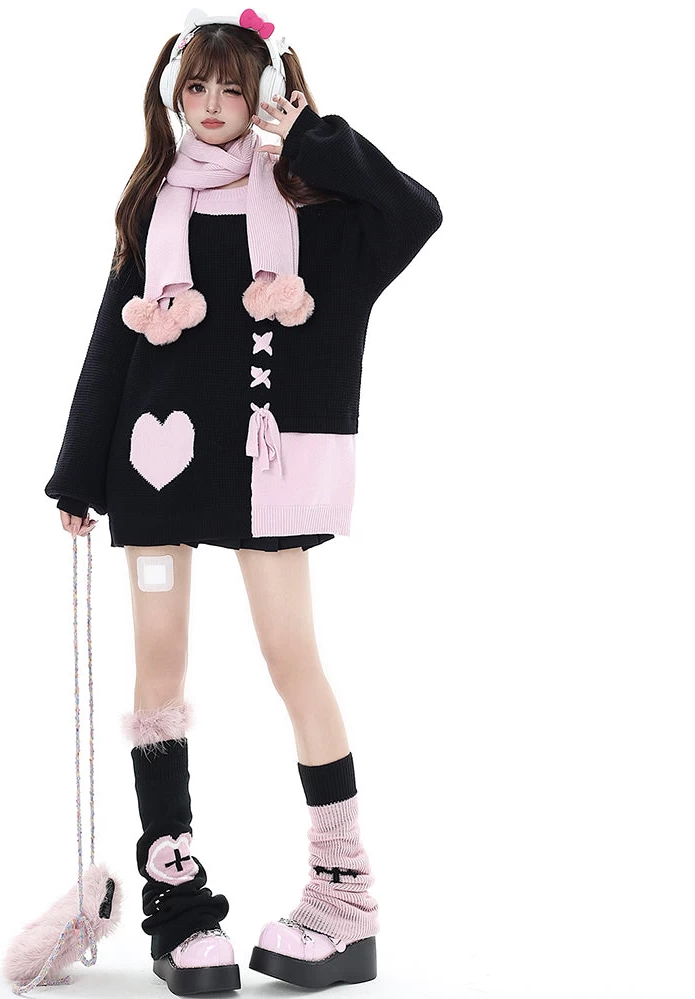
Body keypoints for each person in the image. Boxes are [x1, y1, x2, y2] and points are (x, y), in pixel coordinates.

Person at [44, 9, 442, 994]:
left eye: (235, 87)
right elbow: (112, 344)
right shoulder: (153, 207)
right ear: (174, 96)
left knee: (292, 656)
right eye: (199, 86)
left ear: (263, 94)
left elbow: (415, 211)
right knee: (159, 671)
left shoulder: (314, 207)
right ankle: (179, 910)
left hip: (270, 471)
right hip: (154, 464)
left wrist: (312, 137)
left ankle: (343, 900)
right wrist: (79, 474)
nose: (214, 105)